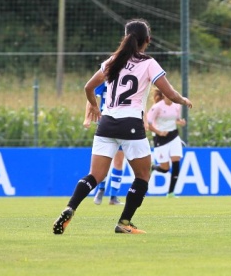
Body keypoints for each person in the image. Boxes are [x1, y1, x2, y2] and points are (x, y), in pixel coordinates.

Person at [53, 19, 193, 235]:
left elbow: (88, 87)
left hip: (106, 123)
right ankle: (124, 222)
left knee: (94, 176)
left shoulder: (112, 61)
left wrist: (93, 105)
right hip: (131, 124)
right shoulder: (149, 63)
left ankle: (70, 207)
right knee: (142, 176)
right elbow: (170, 93)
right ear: (148, 40)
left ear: (126, 37)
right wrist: (183, 100)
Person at [82, 81, 124, 206]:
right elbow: (91, 96)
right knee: (105, 160)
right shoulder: (106, 79)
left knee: (119, 161)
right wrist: (87, 118)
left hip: (124, 123)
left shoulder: (128, 78)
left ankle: (113, 196)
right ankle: (101, 189)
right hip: (106, 122)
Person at [147, 88, 187, 197]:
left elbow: (176, 119)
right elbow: (148, 124)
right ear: (163, 95)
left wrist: (181, 122)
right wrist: (159, 132)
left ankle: (171, 192)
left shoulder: (176, 106)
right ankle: (152, 167)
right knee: (165, 168)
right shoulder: (157, 107)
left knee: (176, 160)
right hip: (160, 138)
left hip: (174, 135)